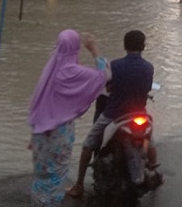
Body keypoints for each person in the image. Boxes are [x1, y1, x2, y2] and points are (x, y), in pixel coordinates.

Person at [66, 30, 158, 198]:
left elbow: (104, 79)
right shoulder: (149, 67)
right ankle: (154, 170)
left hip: (114, 115)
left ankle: (79, 185)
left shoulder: (114, 66)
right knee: (151, 143)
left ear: (124, 46)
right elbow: (146, 88)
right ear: (143, 46)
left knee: (88, 145)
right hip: (140, 114)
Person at [27, 30, 109, 206]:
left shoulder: (50, 69)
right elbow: (104, 75)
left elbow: (38, 102)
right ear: (75, 48)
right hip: (60, 133)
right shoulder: (73, 72)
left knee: (41, 176)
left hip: (40, 134)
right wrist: (94, 48)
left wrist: (33, 134)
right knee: (56, 177)